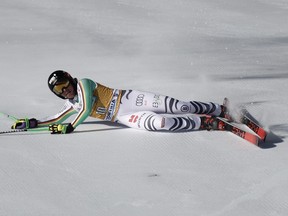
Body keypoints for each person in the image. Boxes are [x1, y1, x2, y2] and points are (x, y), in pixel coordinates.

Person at [11, 70, 226, 134]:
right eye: (59, 89)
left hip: (130, 99)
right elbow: (56, 118)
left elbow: (85, 109)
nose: (65, 90)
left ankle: (218, 109)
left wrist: (72, 126)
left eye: (64, 83)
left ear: (70, 78)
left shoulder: (83, 84)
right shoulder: (71, 104)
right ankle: (205, 122)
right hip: (123, 117)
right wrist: (31, 123)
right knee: (162, 124)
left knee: (181, 107)